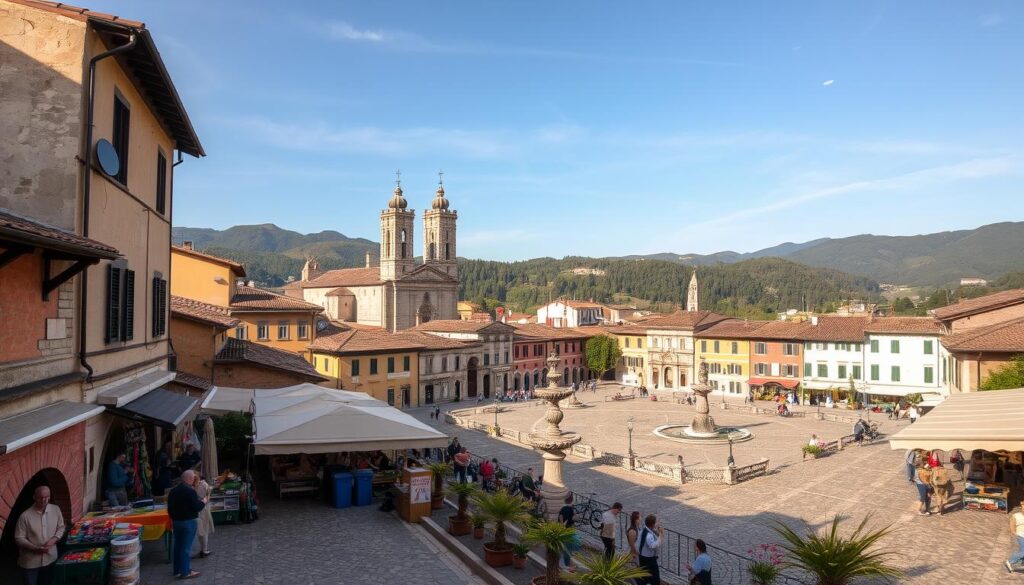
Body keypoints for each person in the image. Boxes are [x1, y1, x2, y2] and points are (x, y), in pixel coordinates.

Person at [14, 485, 65, 585]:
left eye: (46, 497)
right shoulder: (25, 516)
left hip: (50, 558)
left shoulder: (56, 509)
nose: (44, 500)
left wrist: (54, 539)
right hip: (30, 562)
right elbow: (19, 538)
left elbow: (61, 527)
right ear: (34, 497)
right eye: (40, 497)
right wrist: (35, 548)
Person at [168, 469, 205, 579]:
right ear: (190, 479)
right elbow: (197, 507)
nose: (195, 479)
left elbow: (169, 509)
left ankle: (177, 570)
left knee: (178, 546)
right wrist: (204, 502)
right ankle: (186, 572)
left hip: (176, 522)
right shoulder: (190, 491)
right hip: (188, 522)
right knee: (186, 547)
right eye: (194, 477)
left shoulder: (173, 491)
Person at [192, 472, 215, 558]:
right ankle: (204, 550)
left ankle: (203, 549)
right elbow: (205, 497)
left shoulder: (192, 487)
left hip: (197, 510)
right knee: (204, 530)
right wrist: (209, 493)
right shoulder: (203, 485)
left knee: (201, 531)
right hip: (203, 510)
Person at [636, 513, 663, 585]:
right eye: (655, 522)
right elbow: (653, 545)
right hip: (649, 559)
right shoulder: (649, 535)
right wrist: (661, 535)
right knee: (655, 578)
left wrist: (656, 532)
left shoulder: (643, 530)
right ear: (652, 524)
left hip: (642, 557)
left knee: (645, 576)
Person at [557, 495, 577, 572]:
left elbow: (561, 516)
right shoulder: (570, 509)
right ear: (572, 500)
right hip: (567, 531)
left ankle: (564, 565)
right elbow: (573, 519)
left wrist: (561, 525)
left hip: (561, 529)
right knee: (566, 548)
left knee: (563, 548)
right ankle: (564, 566)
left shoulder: (563, 508)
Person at [1007, 506, 1024, 573]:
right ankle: (1009, 561)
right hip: (1021, 535)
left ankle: (1022, 564)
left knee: (1022, 550)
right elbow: (1012, 525)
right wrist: (1014, 532)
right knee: (1023, 551)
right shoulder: (1016, 516)